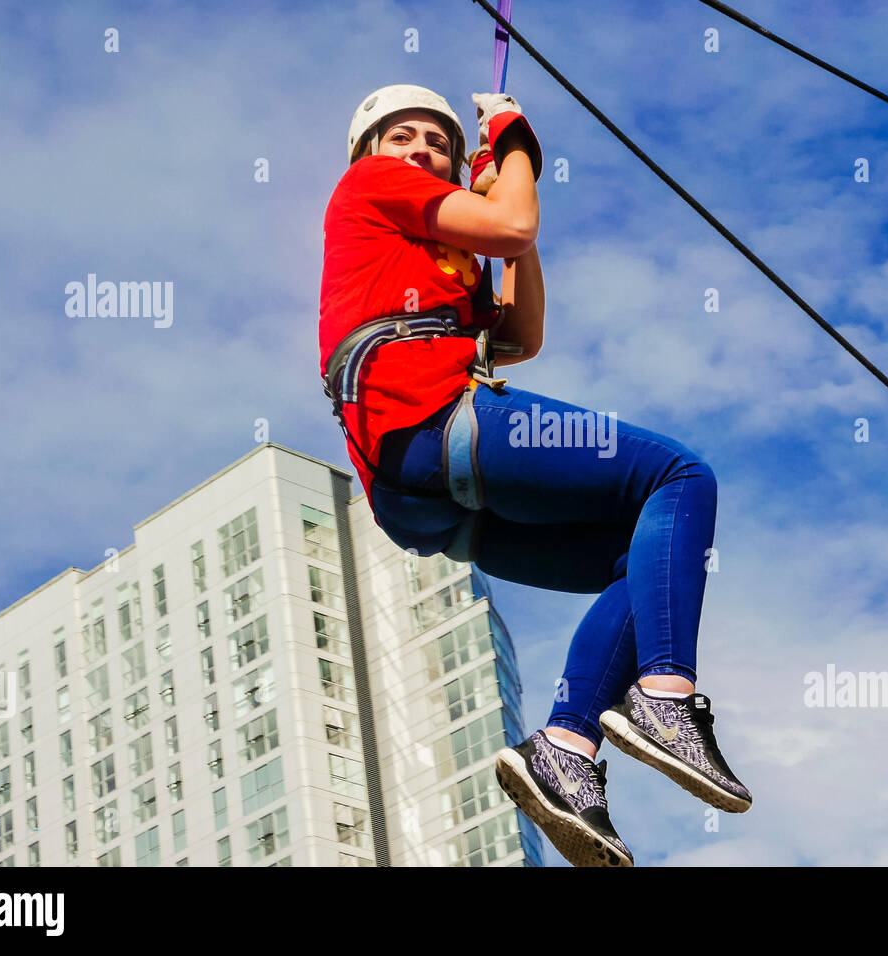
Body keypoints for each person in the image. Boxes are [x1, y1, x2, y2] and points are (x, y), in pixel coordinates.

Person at [319, 84, 751, 868]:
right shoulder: (370, 189)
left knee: (643, 556)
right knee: (680, 480)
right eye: (402, 139)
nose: (422, 152)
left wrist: (501, 213)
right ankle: (665, 695)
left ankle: (565, 743)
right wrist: (514, 142)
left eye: (439, 144)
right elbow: (514, 222)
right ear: (370, 158)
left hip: (425, 495)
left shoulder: (444, 257)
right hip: (426, 416)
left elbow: (521, 335)